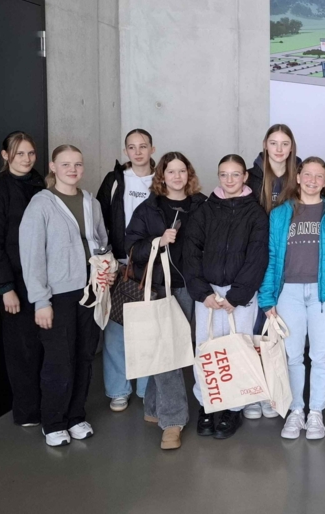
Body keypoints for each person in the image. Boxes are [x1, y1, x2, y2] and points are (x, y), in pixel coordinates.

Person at [259, 157, 325, 441]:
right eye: (308, 175)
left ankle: (315, 413)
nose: (313, 180)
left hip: (322, 295)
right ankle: (296, 411)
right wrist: (267, 298)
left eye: (319, 176)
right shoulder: (280, 214)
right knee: (293, 356)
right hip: (288, 292)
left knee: (322, 356)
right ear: (298, 177)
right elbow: (271, 258)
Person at [19, 145, 107, 447]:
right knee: (60, 361)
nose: (73, 170)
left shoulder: (89, 201)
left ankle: (75, 416)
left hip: (91, 292)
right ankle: (54, 422)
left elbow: (100, 242)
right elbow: (32, 258)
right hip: (58, 296)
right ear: (53, 168)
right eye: (66, 164)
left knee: (84, 356)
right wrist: (41, 301)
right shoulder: (41, 205)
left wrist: (106, 269)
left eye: (78, 164)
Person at [124, 152, 207, 450]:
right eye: (170, 171)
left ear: (189, 174)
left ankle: (153, 407)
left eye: (181, 171)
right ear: (161, 176)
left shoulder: (202, 204)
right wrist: (158, 240)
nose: (176, 176)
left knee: (177, 349)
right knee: (168, 352)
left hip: (195, 288)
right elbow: (131, 248)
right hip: (160, 288)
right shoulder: (148, 209)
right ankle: (172, 421)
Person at [184, 154, 271, 439]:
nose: (230, 180)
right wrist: (203, 293)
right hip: (208, 294)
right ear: (218, 176)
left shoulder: (256, 213)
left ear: (245, 176)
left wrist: (237, 296)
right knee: (207, 351)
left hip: (239, 296)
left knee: (238, 349)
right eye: (224, 174)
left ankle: (233, 408)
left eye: (235, 174)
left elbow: (257, 258)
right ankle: (207, 406)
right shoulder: (205, 210)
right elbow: (191, 253)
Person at [0, 131, 46, 428]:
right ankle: (28, 413)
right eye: (20, 154)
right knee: (23, 350)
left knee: (44, 346)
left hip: (43, 278)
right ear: (5, 155)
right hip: (15, 282)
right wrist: (5, 288)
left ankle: (49, 406)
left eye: (30, 153)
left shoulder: (38, 182)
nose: (27, 159)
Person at [97, 129, 156, 412]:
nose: (137, 152)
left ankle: (145, 387)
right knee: (116, 329)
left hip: (152, 264)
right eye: (131, 147)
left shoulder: (162, 178)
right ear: (126, 151)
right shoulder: (114, 180)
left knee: (147, 330)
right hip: (120, 263)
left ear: (152, 149)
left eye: (143, 146)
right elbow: (99, 219)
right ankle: (118, 389)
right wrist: (106, 258)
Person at [247, 124, 301, 214]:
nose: (279, 149)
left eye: (285, 144)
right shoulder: (249, 177)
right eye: (273, 143)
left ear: (291, 147)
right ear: (265, 145)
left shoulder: (302, 177)